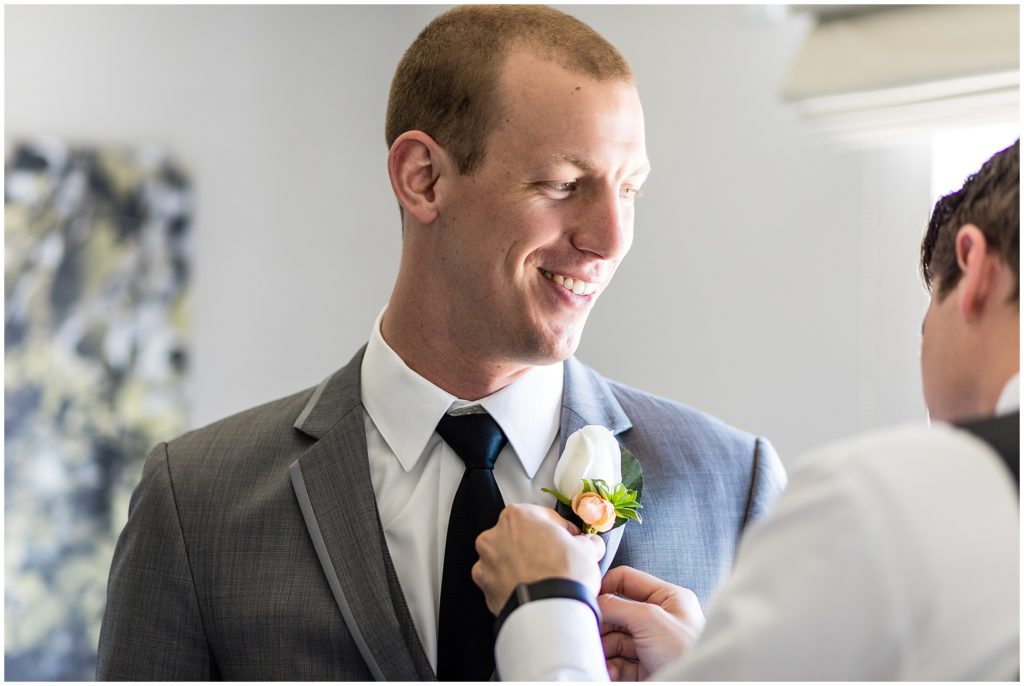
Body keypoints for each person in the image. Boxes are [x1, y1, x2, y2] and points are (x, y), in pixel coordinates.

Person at [95, 5, 786, 681]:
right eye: (563, 184)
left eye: (628, 190)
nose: (609, 238)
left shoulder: (732, 485)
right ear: (422, 177)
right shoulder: (196, 502)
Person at [475, 140, 1019, 681]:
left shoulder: (878, 504)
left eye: (927, 328)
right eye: (563, 183)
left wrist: (545, 602)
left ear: (975, 273)